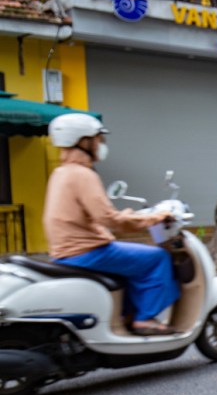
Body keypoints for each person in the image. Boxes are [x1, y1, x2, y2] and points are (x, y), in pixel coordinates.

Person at [43, 113, 179, 335]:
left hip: (65, 251)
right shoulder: (83, 175)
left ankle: (127, 314)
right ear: (82, 140)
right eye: (98, 139)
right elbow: (109, 220)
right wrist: (155, 217)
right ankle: (144, 319)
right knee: (157, 258)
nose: (101, 145)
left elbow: (95, 216)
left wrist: (128, 214)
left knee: (133, 261)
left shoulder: (61, 173)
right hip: (87, 251)